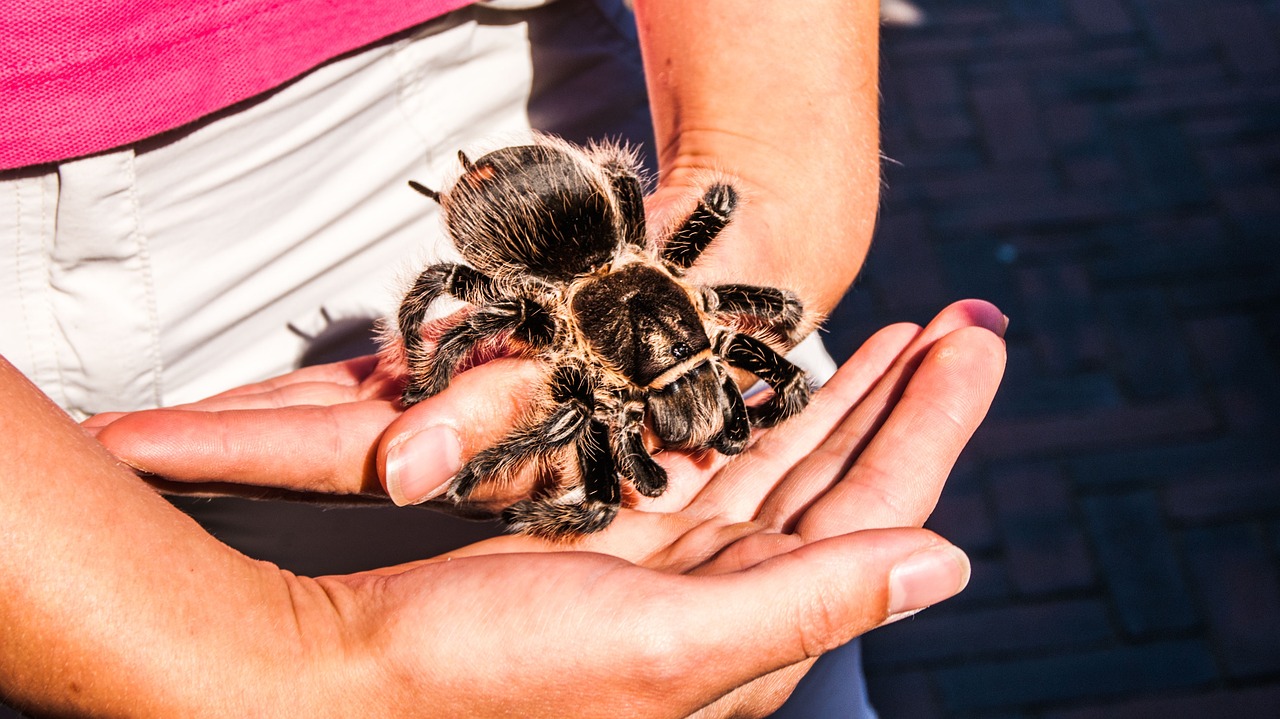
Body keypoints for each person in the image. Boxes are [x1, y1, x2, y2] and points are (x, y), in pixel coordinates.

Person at [0, 0, 1008, 715]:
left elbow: (699, 206)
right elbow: (486, 312)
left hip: (473, 58)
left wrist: (770, 168)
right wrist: (433, 382)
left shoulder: (669, 268)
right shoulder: (553, 337)